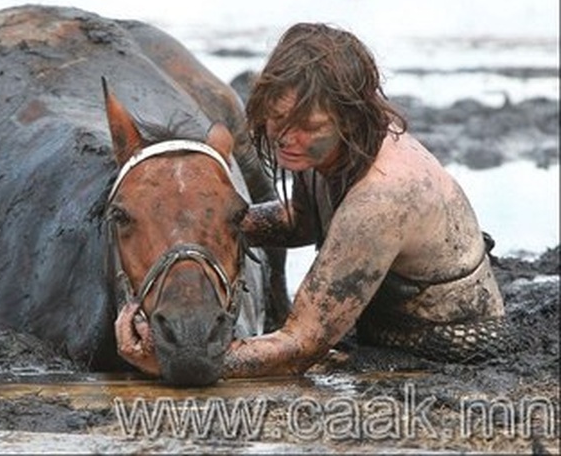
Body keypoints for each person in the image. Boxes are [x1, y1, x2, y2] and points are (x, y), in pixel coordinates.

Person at [114, 22, 507, 378]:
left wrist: (179, 358)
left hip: (447, 349)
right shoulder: (324, 149)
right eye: (278, 118)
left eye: (309, 126)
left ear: (351, 118)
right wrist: (208, 226)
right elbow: (302, 220)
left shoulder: (383, 198)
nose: (287, 137)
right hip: (380, 331)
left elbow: (300, 344)